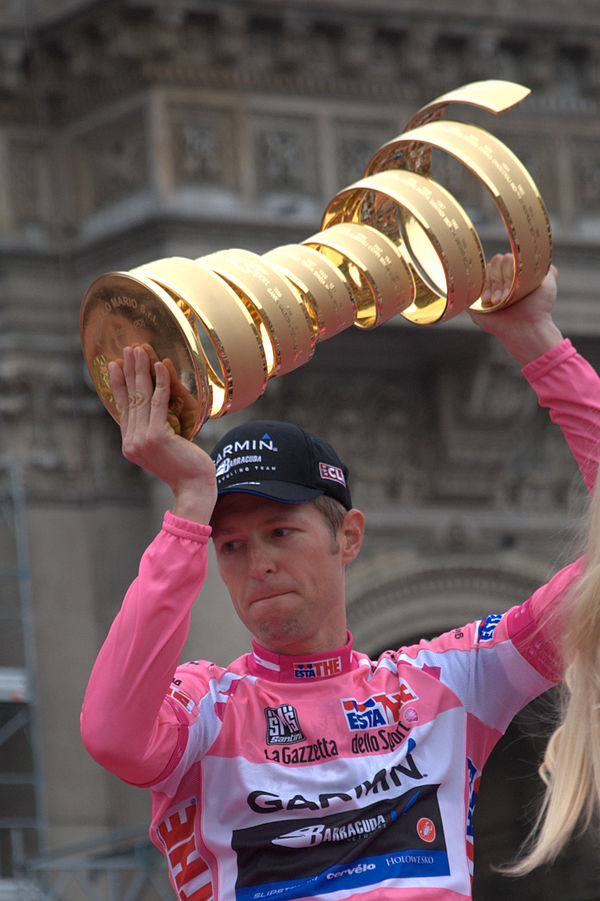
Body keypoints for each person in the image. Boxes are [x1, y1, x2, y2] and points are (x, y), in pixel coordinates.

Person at [80, 254, 600, 900]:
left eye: (281, 532)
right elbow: (109, 733)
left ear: (348, 536)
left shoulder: (449, 680)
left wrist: (534, 339)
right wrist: (189, 508)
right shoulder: (206, 710)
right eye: (230, 544)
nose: (258, 562)